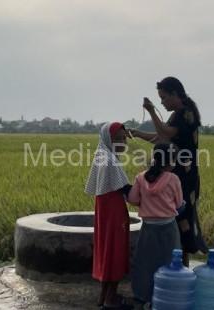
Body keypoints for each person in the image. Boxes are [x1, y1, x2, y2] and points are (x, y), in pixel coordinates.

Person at [130, 76, 208, 266]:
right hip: (179, 168)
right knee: (178, 214)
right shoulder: (179, 114)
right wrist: (139, 133)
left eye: (164, 98)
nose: (162, 103)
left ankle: (181, 265)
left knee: (181, 214)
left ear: (175, 94)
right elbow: (162, 139)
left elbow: (165, 134)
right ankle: (179, 264)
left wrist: (151, 112)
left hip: (184, 171)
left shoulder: (185, 113)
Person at [127, 143, 184, 307]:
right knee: (169, 261)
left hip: (148, 227)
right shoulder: (173, 179)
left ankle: (143, 296)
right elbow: (179, 203)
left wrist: (146, 203)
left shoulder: (140, 177)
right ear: (171, 161)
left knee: (145, 263)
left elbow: (133, 200)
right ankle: (165, 296)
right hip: (168, 227)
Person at [84, 122, 133, 310]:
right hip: (113, 212)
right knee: (115, 250)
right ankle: (111, 300)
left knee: (106, 248)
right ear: (108, 139)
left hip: (105, 211)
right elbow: (126, 189)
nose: (124, 142)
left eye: (124, 138)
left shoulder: (102, 154)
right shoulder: (110, 160)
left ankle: (104, 296)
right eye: (119, 139)